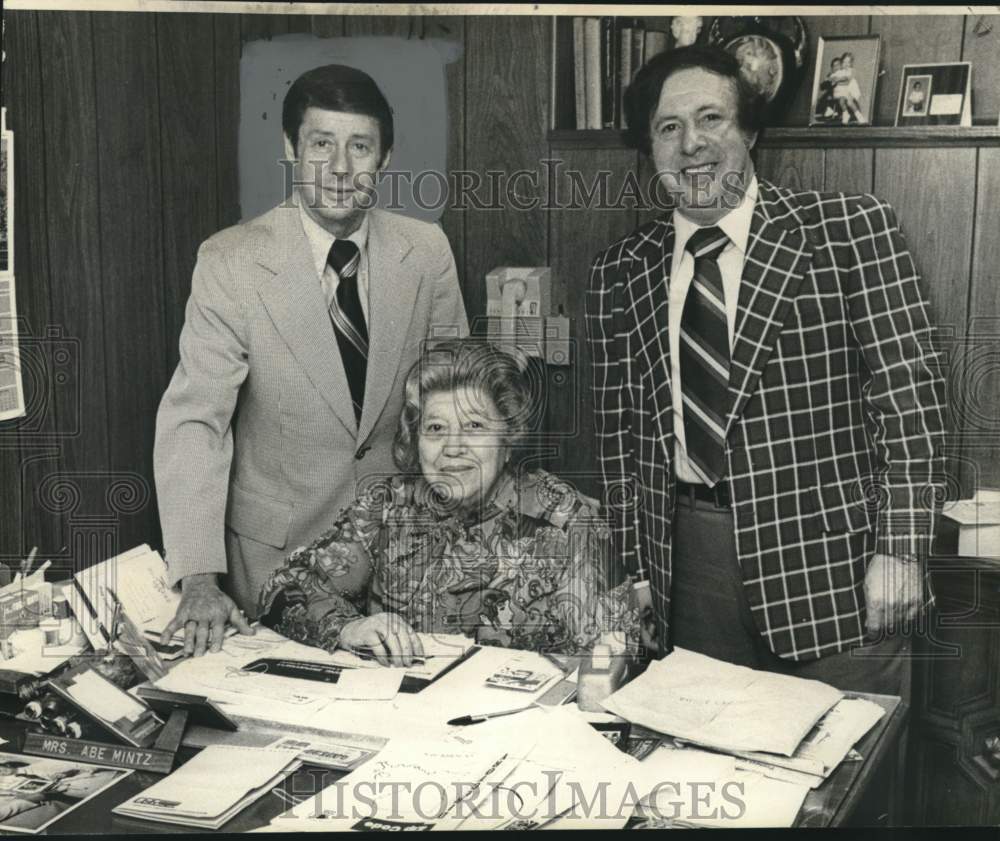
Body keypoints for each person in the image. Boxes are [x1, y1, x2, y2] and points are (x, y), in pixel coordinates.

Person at [586, 45, 946, 699]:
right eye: (669, 128)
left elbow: (911, 400)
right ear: (650, 147)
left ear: (749, 131)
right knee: (706, 778)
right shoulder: (620, 271)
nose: (692, 144)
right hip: (686, 570)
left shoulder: (848, 231)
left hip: (835, 570)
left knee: (848, 781)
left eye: (712, 119)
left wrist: (902, 547)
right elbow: (618, 443)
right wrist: (632, 570)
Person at [155, 64, 468, 656]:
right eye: (321, 144)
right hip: (273, 571)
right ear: (291, 149)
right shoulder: (230, 261)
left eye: (360, 147)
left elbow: (458, 405)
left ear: (385, 157)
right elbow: (197, 424)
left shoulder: (426, 252)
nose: (341, 168)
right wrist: (198, 577)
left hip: (399, 569)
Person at [258, 339, 638, 663]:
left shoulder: (566, 521)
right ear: (415, 440)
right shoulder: (387, 506)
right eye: (436, 428)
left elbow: (620, 647)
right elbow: (285, 587)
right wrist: (348, 627)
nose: (453, 448)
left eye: (474, 427)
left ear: (507, 439)